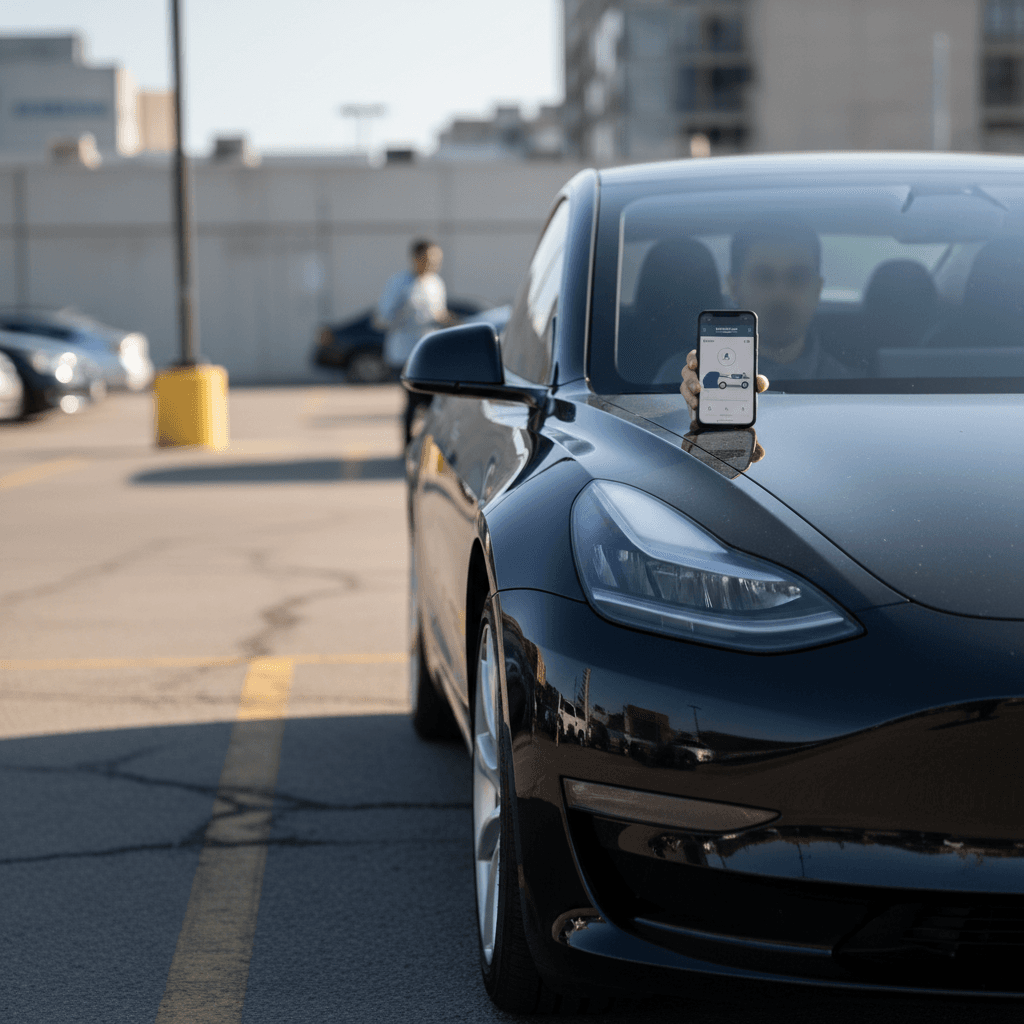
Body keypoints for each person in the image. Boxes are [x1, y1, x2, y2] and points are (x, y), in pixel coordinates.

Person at [680, 221, 848, 420]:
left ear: (818, 289)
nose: (780, 294)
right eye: (763, 277)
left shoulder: (854, 391)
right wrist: (690, 408)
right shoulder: (685, 378)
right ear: (734, 287)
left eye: (797, 277)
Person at [374, 239, 456, 444]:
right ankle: (408, 445)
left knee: (433, 401)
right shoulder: (399, 283)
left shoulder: (435, 283)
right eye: (429, 259)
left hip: (428, 351)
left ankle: (430, 443)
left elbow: (438, 312)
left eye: (437, 260)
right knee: (414, 400)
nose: (434, 264)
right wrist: (401, 312)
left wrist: (449, 320)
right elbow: (382, 318)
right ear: (415, 258)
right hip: (404, 353)